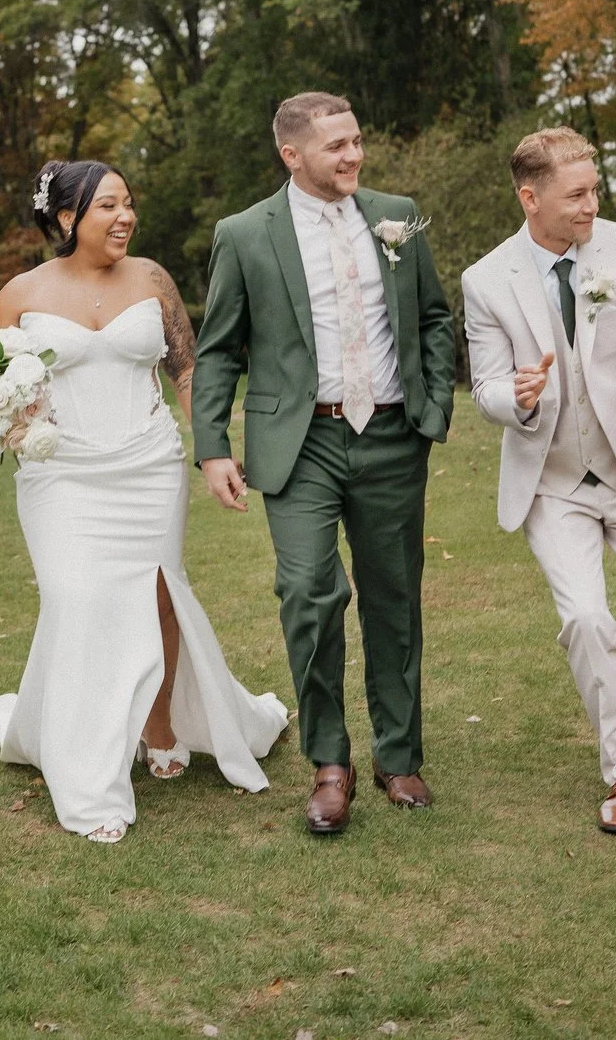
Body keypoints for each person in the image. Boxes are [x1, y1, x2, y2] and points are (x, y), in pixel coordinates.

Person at [0, 162, 290, 844]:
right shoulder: (21, 294)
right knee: (74, 598)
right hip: (62, 474)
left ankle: (161, 724)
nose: (125, 217)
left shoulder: (151, 279)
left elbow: (187, 369)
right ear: (68, 218)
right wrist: (6, 425)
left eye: (128, 204)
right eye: (108, 206)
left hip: (148, 464)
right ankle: (87, 769)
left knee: (159, 596)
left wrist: (212, 450)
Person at [192, 92, 458, 836]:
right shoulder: (245, 234)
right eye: (336, 146)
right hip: (300, 442)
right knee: (309, 592)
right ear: (293, 155)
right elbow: (219, 347)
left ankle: (398, 756)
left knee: (394, 598)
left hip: (392, 436)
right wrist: (212, 446)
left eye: (356, 140)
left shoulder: (397, 215)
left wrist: (433, 407)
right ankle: (331, 763)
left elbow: (434, 316)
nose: (353, 155)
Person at [463, 127, 616, 834]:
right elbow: (485, 387)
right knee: (587, 620)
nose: (593, 204)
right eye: (577, 195)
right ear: (530, 198)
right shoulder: (485, 279)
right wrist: (517, 396)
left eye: (595, 189)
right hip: (553, 480)